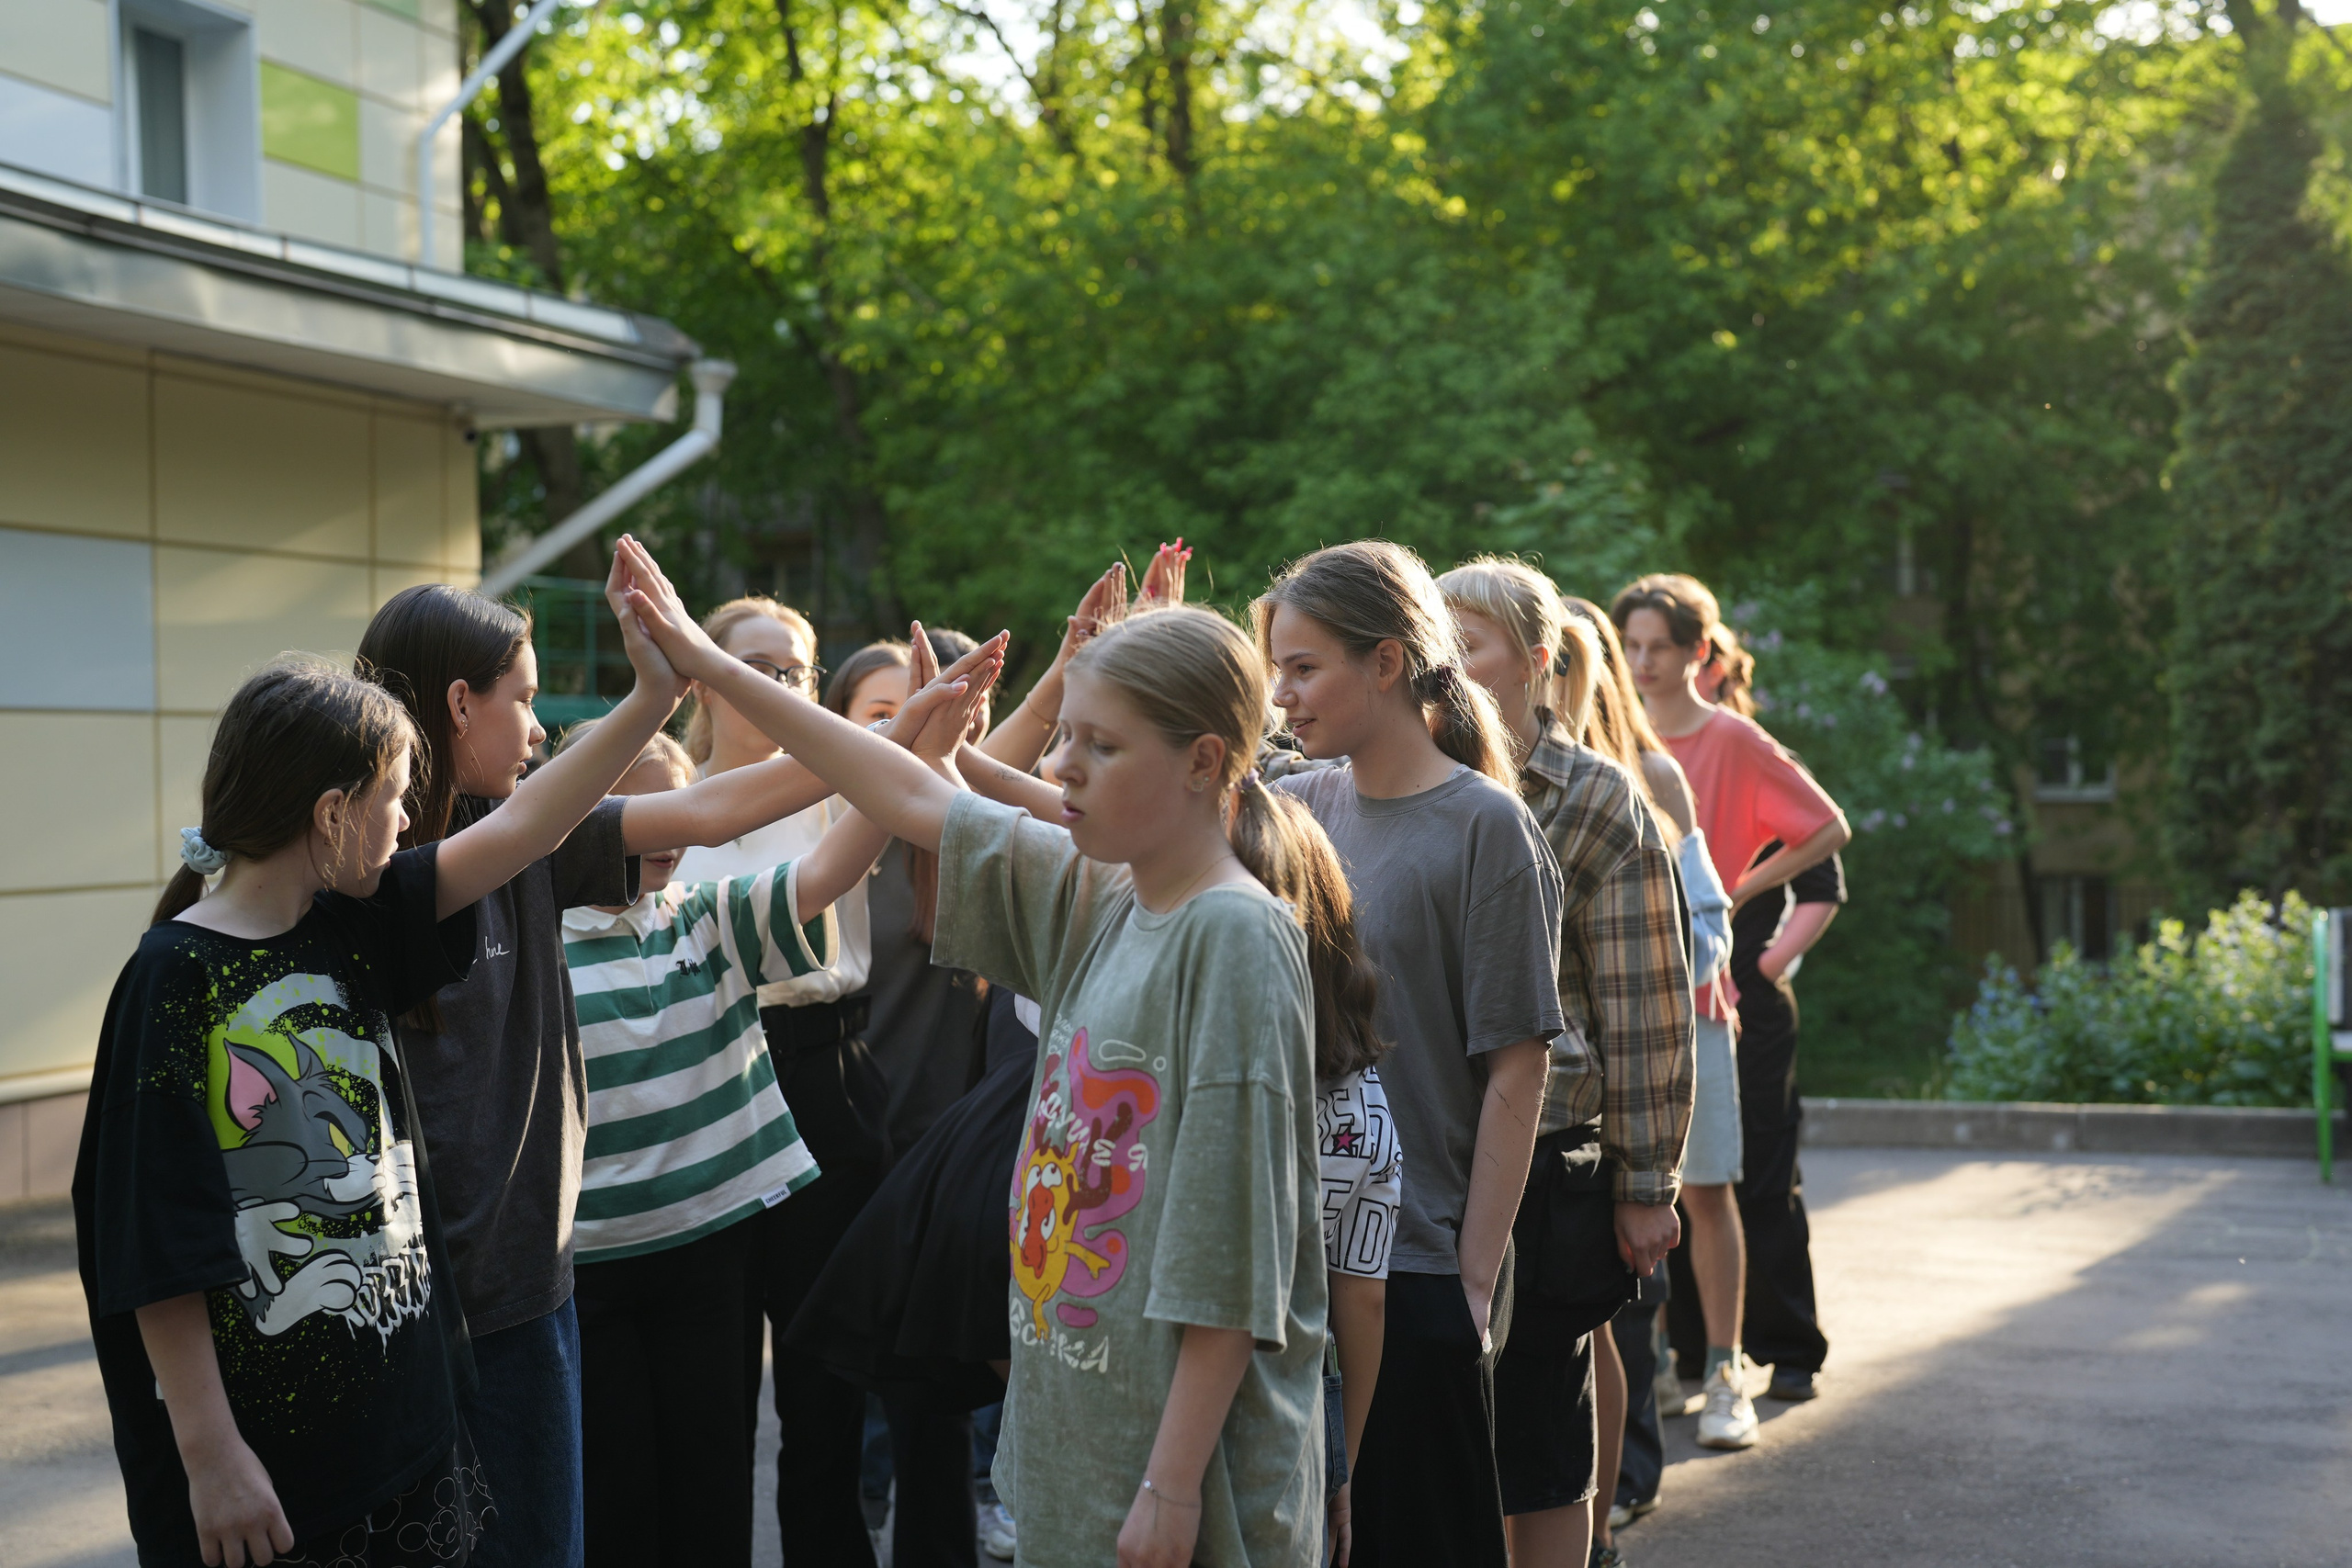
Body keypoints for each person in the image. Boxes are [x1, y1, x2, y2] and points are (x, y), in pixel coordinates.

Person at [621, 546, 1352, 1566]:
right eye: (1067, 740)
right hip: (1075, 1454)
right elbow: (906, 792)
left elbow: (1232, 1257)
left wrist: (1173, 1486)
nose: (1058, 768)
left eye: (1099, 746)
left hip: (1182, 1485)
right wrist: (714, 664)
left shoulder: (1231, 938)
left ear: (1201, 760)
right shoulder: (1101, 892)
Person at [74, 547, 695, 1568]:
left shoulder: (356, 926)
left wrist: (655, 695)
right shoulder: (173, 981)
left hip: (405, 1445)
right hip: (274, 1479)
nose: (411, 819)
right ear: (329, 814)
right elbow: (155, 1249)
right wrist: (209, 1451)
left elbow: (535, 824)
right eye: (395, 796)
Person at [353, 570, 842, 1568]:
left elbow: (710, 812)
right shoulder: (389, 877)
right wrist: (657, 695)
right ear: (457, 704)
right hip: (440, 1305)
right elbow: (531, 825)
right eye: (525, 698)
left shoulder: (533, 842)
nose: (536, 729)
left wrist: (905, 739)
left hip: (538, 1283)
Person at [560, 658, 989, 1568]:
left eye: (683, 812)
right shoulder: (536, 940)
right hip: (590, 1264)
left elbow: (833, 866)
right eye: (648, 816)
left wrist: (908, 732)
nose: (673, 839)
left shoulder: (703, 915)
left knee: (715, 1474)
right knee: (616, 1491)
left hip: (708, 1247)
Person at [1256, 540, 1565, 1568]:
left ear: (1385, 663)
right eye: (1275, 669)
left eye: (1303, 667)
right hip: (1299, 1258)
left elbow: (1518, 1069)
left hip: (1422, 1270)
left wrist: (1472, 1276)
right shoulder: (1298, 806)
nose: (1283, 693)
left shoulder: (1485, 826)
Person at [1441, 560, 1693, 1568]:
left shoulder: (1593, 799)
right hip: (1421, 1154)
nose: (1444, 668)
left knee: (1542, 1427)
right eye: (1432, 644)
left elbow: (1643, 1009)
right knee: (1436, 1428)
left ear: (1536, 662)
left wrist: (1645, 1184)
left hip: (1549, 1161)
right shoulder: (1394, 776)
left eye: (1470, 646)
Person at [1611, 573, 1850, 1452]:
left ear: (1697, 654)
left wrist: (1737, 891)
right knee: (1651, 1179)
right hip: (1646, 978)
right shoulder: (1621, 740)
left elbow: (1827, 831)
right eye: (1630, 647)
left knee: (1739, 1178)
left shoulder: (1731, 737)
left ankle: (1756, 1358)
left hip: (1725, 977)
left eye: (1659, 648)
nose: (1643, 664)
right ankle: (1680, 1360)